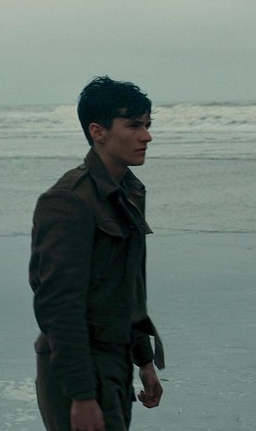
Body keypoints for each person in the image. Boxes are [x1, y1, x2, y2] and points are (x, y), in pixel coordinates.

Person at [30, 76, 164, 431]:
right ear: (98, 131)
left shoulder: (127, 191)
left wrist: (144, 360)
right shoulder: (68, 200)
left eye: (147, 124)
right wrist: (81, 396)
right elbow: (58, 305)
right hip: (78, 369)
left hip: (115, 362)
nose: (147, 136)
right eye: (133, 125)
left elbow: (127, 287)